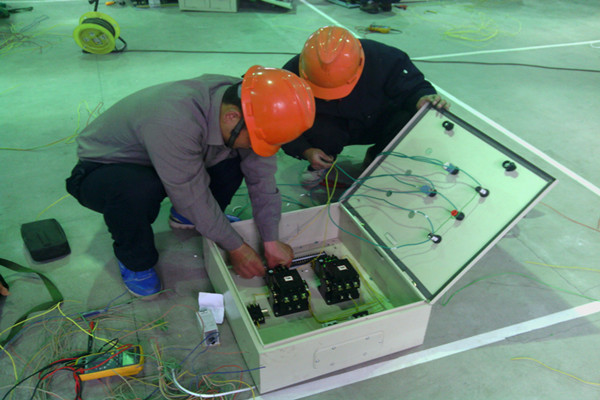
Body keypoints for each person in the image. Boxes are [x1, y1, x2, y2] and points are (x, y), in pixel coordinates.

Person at [66, 65, 315, 298]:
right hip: (106, 168)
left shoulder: (252, 105)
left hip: (168, 154)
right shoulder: (173, 119)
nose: (256, 147)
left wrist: (271, 239)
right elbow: (191, 194)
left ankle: (186, 218)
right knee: (136, 190)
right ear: (232, 117)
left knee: (234, 156)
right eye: (254, 140)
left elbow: (262, 179)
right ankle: (135, 261)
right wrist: (236, 247)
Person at [281, 26, 450, 187]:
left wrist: (422, 97)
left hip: (376, 120)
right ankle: (321, 162)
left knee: (414, 117)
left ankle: (378, 158)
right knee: (322, 133)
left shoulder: (384, 58)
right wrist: (305, 150)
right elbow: (281, 125)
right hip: (331, 127)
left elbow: (414, 86)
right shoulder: (288, 77)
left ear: (360, 64)